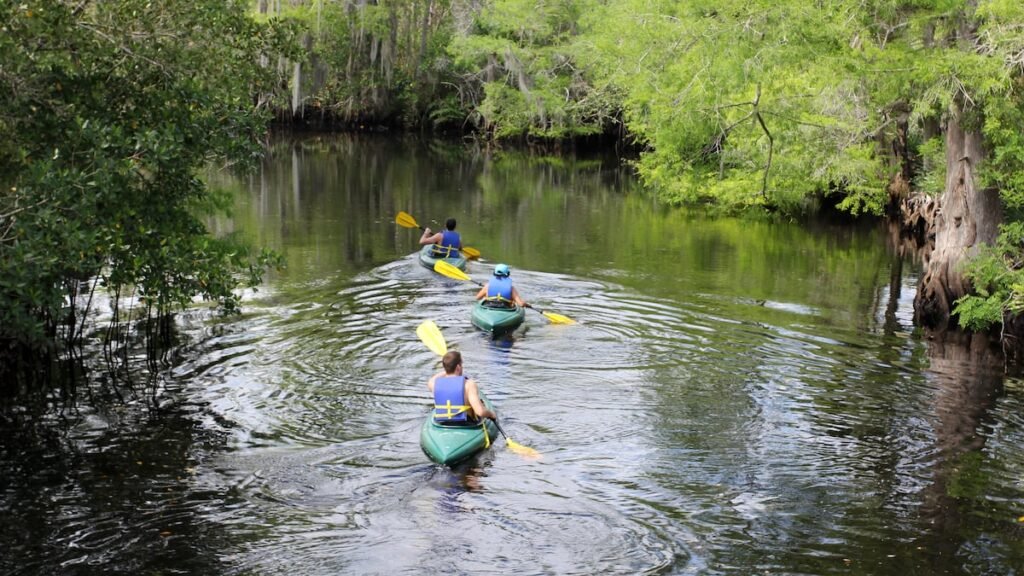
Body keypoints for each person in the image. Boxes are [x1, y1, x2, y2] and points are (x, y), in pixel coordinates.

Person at [427, 351, 497, 425]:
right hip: (465, 423)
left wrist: (447, 369)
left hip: (442, 423)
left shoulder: (434, 384)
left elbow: (431, 380)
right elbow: (480, 411)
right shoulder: (469, 385)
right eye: (461, 364)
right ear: (458, 367)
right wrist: (492, 415)